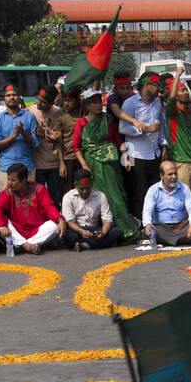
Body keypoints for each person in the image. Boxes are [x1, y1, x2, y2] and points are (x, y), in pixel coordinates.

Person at [74, 90, 137, 238]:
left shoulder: (107, 119)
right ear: (88, 105)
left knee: (116, 195)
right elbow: (76, 147)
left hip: (111, 164)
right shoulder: (81, 123)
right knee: (98, 196)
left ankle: (125, 230)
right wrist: (84, 165)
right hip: (92, 164)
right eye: (94, 102)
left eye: (99, 101)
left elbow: (118, 140)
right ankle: (103, 229)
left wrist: (126, 157)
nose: (98, 105)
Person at [117, 74, 167, 216]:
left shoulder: (158, 102)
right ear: (146, 86)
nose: (159, 88)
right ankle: (140, 225)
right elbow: (122, 128)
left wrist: (164, 146)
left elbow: (160, 126)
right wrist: (143, 130)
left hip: (155, 153)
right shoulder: (130, 103)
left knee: (156, 191)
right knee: (139, 193)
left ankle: (154, 224)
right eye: (156, 84)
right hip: (135, 154)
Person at [0, 163, 60, 253]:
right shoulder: (6, 193)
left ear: (24, 180)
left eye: (13, 180)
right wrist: (1, 226)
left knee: (55, 225)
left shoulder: (40, 189)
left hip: (37, 230)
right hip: (17, 230)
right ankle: (27, 245)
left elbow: (49, 207)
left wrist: (59, 219)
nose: (9, 183)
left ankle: (22, 245)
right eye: (8, 179)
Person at [164, 69, 191, 189]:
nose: (187, 93)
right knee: (184, 197)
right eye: (182, 90)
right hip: (181, 162)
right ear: (175, 94)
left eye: (186, 90)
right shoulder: (172, 112)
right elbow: (171, 98)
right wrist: (177, 75)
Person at [141, 160, 191, 246]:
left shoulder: (184, 188)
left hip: (180, 226)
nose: (174, 177)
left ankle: (166, 241)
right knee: (151, 230)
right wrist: (148, 223)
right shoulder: (153, 190)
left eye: (175, 173)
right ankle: (181, 240)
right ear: (161, 175)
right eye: (170, 174)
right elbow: (147, 210)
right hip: (161, 227)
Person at [60, 173, 123, 251]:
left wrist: (103, 233)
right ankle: (97, 244)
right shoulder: (68, 197)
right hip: (77, 230)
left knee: (117, 232)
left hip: (94, 229)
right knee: (65, 234)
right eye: (81, 189)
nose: (85, 191)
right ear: (75, 186)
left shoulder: (100, 196)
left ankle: (84, 245)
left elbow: (107, 219)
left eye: (88, 188)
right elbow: (69, 221)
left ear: (92, 185)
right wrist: (82, 231)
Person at [0, 85, 39, 183]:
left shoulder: (29, 117)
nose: (11, 97)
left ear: (19, 98)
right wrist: (14, 136)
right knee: (8, 198)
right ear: (4, 99)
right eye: (8, 95)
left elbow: (35, 143)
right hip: (6, 168)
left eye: (14, 95)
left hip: (27, 167)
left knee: (29, 198)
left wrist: (23, 132)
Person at [28, 87, 64, 205]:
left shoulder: (58, 113)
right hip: (36, 165)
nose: (39, 103)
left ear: (51, 103)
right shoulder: (30, 111)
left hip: (54, 164)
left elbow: (60, 138)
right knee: (37, 199)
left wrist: (45, 135)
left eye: (43, 102)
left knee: (55, 200)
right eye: (38, 99)